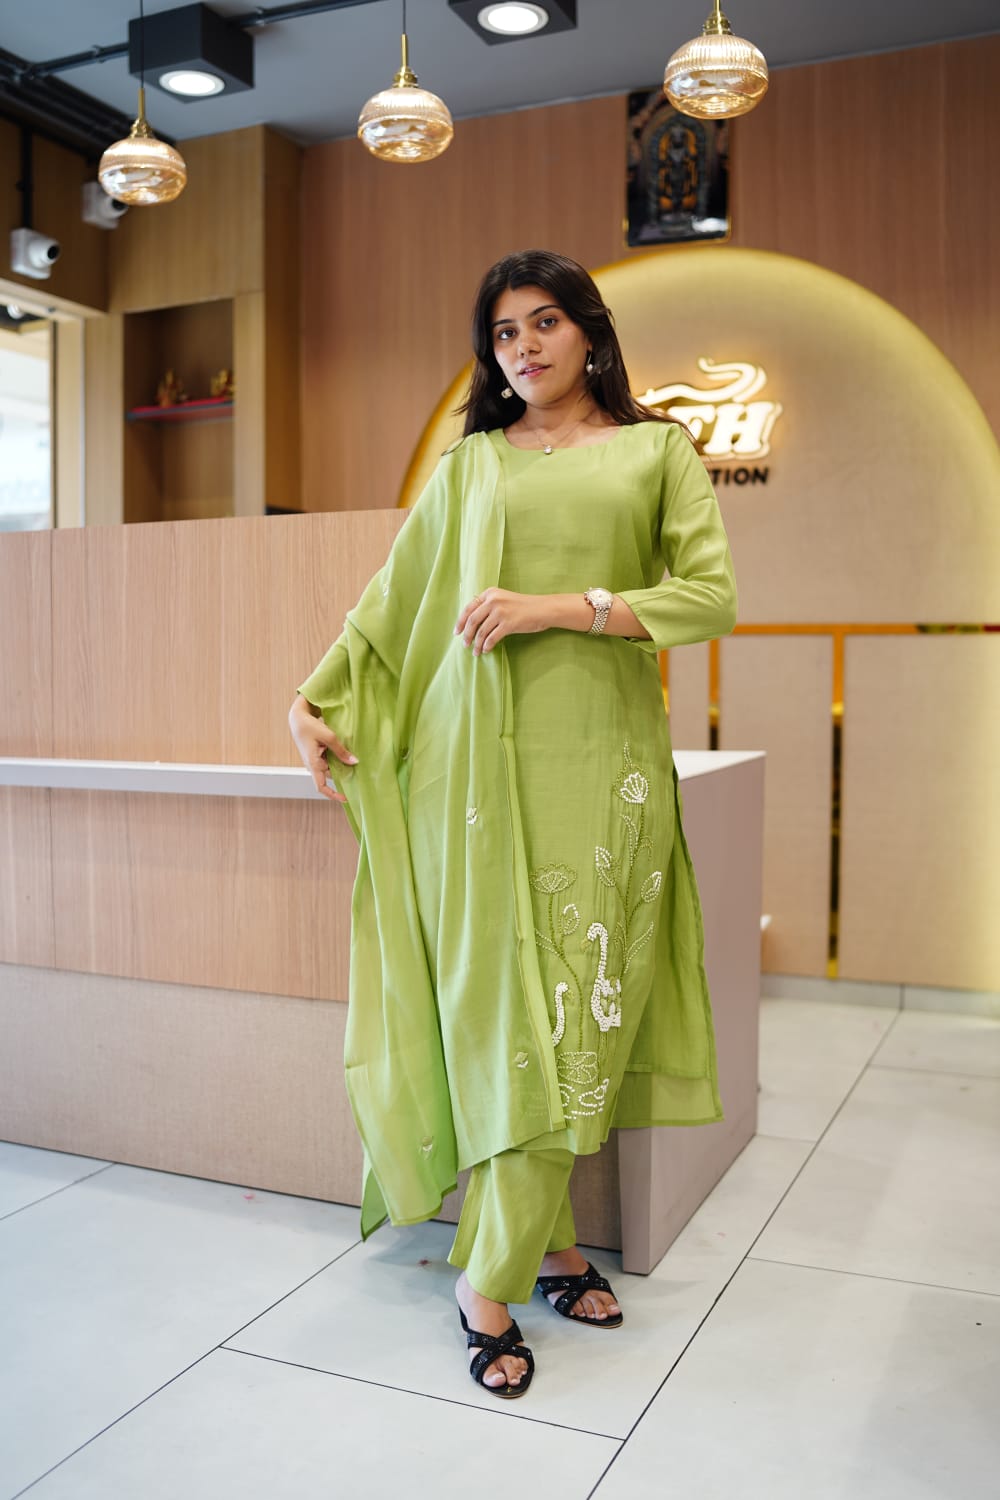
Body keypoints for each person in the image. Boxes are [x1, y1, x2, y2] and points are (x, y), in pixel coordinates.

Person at [288, 249, 738, 1400]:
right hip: (475, 775)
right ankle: (500, 1274)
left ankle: (530, 1247)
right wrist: (318, 697)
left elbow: (708, 597)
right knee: (506, 1022)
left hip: (604, 769)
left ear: (589, 332)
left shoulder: (656, 451)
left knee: (577, 1025)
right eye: (502, 333)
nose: (524, 347)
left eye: (544, 323)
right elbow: (394, 600)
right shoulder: (472, 465)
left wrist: (562, 608)